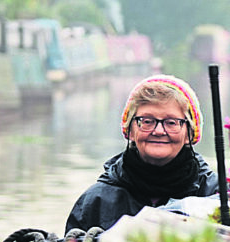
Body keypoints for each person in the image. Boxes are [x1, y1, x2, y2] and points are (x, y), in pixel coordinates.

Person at [65, 75, 218, 233]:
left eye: (171, 122)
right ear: (130, 130)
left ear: (189, 134)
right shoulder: (96, 201)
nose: (158, 131)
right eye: (147, 121)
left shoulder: (216, 196)